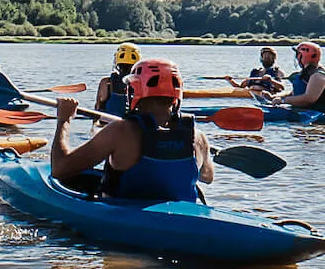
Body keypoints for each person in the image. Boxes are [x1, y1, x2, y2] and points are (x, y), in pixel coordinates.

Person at [50, 57, 213, 202]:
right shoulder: (197, 137)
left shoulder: (120, 131)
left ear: (136, 89)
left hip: (121, 222)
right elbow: (207, 177)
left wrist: (64, 119)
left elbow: (59, 169)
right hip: (179, 222)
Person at [261, 41, 325, 114]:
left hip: (319, 113)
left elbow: (308, 99)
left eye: (298, 54)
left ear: (304, 56)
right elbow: (295, 93)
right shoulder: (306, 73)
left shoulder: (318, 76)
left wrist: (283, 100)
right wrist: (274, 97)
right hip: (303, 110)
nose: (296, 57)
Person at [93, 42, 142, 118]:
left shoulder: (106, 82)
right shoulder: (143, 83)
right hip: (133, 123)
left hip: (110, 122)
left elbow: (98, 106)